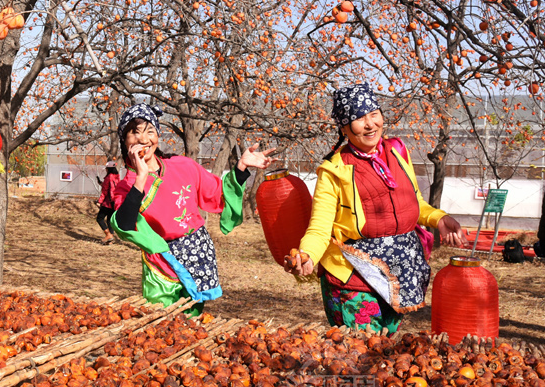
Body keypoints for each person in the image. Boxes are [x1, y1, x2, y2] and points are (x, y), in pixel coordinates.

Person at [285, 82, 464, 333]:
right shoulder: (334, 170)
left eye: (374, 114)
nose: (370, 124)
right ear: (345, 128)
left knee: (385, 345)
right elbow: (320, 227)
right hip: (354, 274)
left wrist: (439, 218)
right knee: (357, 349)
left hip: (398, 268)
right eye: (359, 118)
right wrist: (308, 255)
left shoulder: (398, 151)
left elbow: (414, 203)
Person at [110, 104, 277, 314]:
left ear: (158, 136)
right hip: (161, 260)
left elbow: (218, 194)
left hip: (196, 249)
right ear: (125, 142)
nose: (144, 140)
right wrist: (141, 177)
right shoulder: (126, 187)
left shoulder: (183, 165)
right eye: (134, 133)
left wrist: (241, 168)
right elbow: (124, 225)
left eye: (150, 131)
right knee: (160, 320)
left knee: (192, 318)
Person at [95, 162, 119, 244]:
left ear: (108, 169)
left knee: (99, 218)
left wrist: (99, 201)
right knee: (109, 220)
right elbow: (111, 188)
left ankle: (108, 234)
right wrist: (101, 183)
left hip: (107, 203)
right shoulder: (117, 177)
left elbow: (105, 191)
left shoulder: (108, 177)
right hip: (115, 202)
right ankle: (111, 240)